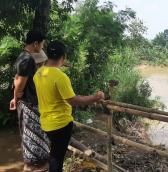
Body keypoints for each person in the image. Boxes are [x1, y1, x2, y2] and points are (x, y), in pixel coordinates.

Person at [33, 40, 105, 172]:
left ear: (48, 55)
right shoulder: (60, 77)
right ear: (63, 57)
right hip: (60, 124)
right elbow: (73, 100)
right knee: (57, 157)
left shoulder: (38, 73)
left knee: (55, 152)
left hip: (46, 123)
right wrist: (96, 97)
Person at [9, 31, 49, 172]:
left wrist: (15, 99)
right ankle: (33, 166)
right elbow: (19, 84)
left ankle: (33, 164)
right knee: (32, 137)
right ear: (36, 43)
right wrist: (15, 98)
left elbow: (17, 79)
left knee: (30, 135)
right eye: (42, 43)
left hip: (27, 103)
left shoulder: (23, 56)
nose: (42, 47)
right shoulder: (27, 59)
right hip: (30, 104)